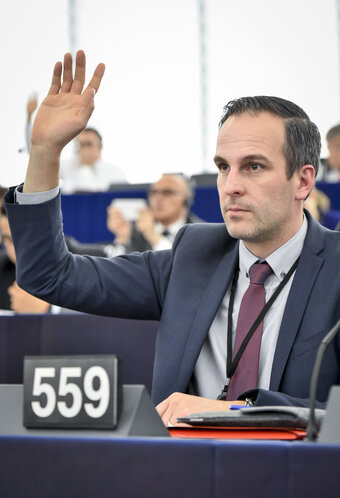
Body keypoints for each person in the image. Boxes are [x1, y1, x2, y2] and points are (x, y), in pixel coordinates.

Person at [5, 51, 340, 426]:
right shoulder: (193, 255)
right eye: (223, 167)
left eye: (254, 166)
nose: (230, 187)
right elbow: (49, 275)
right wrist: (45, 153)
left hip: (298, 478)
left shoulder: (335, 269)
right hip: (181, 473)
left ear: (304, 181)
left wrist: (238, 412)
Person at [25, 94, 127, 193]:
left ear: (100, 147)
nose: (84, 149)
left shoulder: (115, 173)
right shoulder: (68, 167)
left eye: (88, 144)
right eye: (81, 145)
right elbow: (39, 154)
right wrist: (29, 119)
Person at [105, 173, 201, 256]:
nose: (157, 198)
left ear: (186, 199)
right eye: (154, 192)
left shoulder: (199, 233)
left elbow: (182, 265)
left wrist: (153, 236)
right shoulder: (136, 232)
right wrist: (123, 239)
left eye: (167, 193)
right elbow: (120, 270)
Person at [0, 205, 50, 312]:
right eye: (8, 239)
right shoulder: (2, 267)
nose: (15, 249)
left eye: (22, 237)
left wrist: (49, 310)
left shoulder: (78, 263)